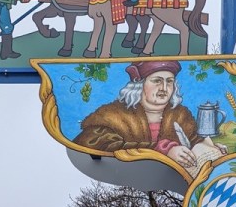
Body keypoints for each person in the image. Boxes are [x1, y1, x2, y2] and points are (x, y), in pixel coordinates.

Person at [73, 60, 225, 169]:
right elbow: (95, 143)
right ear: (139, 85)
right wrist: (161, 150)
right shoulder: (113, 114)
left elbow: (191, 140)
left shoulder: (180, 114)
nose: (164, 88)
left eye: (169, 82)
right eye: (157, 81)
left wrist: (208, 148)